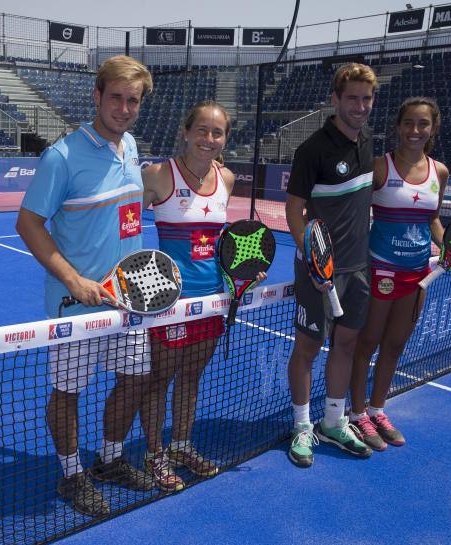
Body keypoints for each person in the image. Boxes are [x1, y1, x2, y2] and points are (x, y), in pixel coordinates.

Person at [16, 55, 156, 517]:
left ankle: (110, 460)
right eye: (115, 97)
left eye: (132, 100)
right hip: (75, 307)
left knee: (135, 380)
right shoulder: (61, 156)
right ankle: (72, 473)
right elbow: (29, 223)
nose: (123, 108)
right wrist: (74, 280)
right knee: (68, 392)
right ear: (97, 97)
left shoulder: (130, 146)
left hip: (129, 300)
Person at [141, 101, 266, 490]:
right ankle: (154, 454)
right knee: (159, 380)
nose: (208, 139)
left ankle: (181, 445)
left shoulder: (226, 179)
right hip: (169, 304)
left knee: (192, 377)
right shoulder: (158, 175)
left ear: (225, 138)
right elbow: (122, 228)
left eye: (217, 133)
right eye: (202, 130)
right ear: (186, 131)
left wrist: (243, 273)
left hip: (212, 301)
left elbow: (221, 246)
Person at [284, 63, 378, 468]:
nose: (360, 106)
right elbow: (293, 212)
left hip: (358, 268)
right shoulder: (313, 149)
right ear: (335, 100)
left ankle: (334, 422)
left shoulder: (370, 141)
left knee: (346, 344)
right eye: (352, 98)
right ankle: (302, 426)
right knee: (307, 347)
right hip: (319, 271)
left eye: (366, 98)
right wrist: (314, 258)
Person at [349, 97, 448, 450]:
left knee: (394, 345)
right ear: (398, 126)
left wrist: (447, 244)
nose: (415, 131)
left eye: (423, 124)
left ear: (433, 128)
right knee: (368, 343)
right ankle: (357, 413)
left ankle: (378, 408)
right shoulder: (380, 167)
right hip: (380, 270)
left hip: (417, 275)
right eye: (409, 123)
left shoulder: (439, 172)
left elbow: (433, 219)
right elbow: (356, 213)